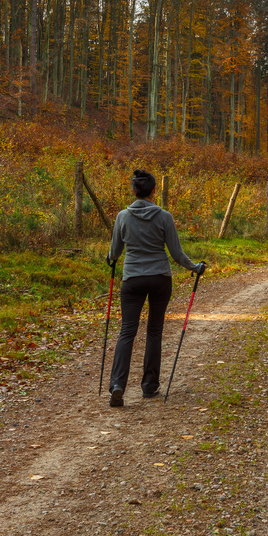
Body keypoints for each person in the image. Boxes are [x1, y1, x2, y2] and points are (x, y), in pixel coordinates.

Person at [106, 169, 205, 407]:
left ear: (133, 191)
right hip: (160, 278)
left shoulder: (122, 216)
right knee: (154, 331)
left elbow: (115, 252)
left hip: (132, 280)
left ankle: (117, 384)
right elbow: (176, 253)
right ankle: (149, 387)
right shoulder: (164, 217)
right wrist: (196, 267)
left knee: (127, 331)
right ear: (153, 191)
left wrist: (110, 259)